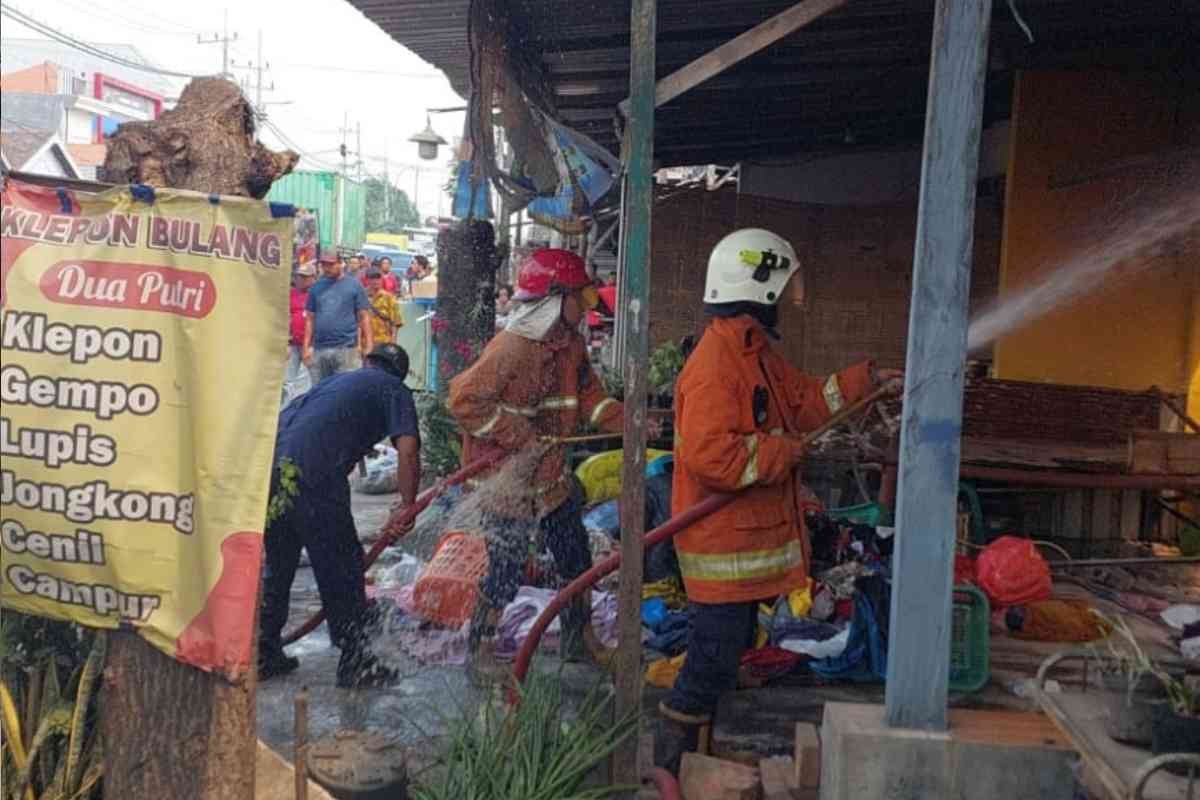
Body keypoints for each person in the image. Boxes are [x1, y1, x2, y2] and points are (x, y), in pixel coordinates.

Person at [654, 228, 901, 773]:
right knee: (710, 663)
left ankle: (700, 761)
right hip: (722, 553)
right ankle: (669, 765)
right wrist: (777, 454)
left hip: (739, 553)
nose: (789, 300)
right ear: (757, 287)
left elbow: (809, 401)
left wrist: (867, 381)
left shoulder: (754, 355)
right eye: (783, 287)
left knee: (727, 654)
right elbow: (709, 457)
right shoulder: (717, 364)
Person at [448, 249, 630, 680]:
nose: (587, 309)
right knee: (506, 568)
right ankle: (482, 651)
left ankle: (580, 641)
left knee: (575, 559)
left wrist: (626, 421)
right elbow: (464, 400)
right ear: (555, 297)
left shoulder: (571, 346)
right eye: (581, 298)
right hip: (505, 482)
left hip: (549, 478)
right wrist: (520, 435)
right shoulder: (512, 348)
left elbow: (590, 396)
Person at [259, 343, 421, 687]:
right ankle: (357, 663)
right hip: (315, 476)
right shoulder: (394, 389)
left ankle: (263, 650)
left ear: (367, 361)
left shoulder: (334, 384)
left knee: (279, 564)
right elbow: (406, 450)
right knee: (343, 567)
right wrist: (407, 506)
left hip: (271, 470)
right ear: (399, 374)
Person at [304, 250, 373, 382]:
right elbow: (310, 319)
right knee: (320, 392)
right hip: (320, 349)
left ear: (341, 264)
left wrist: (368, 345)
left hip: (346, 349)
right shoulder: (316, 287)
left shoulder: (354, 285)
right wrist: (306, 347)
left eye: (331, 264)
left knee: (345, 391)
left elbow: (364, 316)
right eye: (324, 265)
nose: (327, 268)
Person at [283, 263, 317, 404]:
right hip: (293, 344)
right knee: (287, 382)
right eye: (298, 276)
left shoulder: (317, 294)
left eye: (304, 277)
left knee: (307, 383)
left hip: (311, 345)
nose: (300, 279)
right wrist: (285, 342)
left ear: (312, 278)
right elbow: (285, 317)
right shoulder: (290, 294)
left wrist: (311, 346)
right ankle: (284, 414)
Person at [365, 268, 405, 345]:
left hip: (384, 340)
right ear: (367, 280)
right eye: (372, 278)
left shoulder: (389, 298)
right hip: (366, 341)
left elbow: (396, 322)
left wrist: (393, 343)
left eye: (378, 278)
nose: (375, 281)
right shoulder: (362, 297)